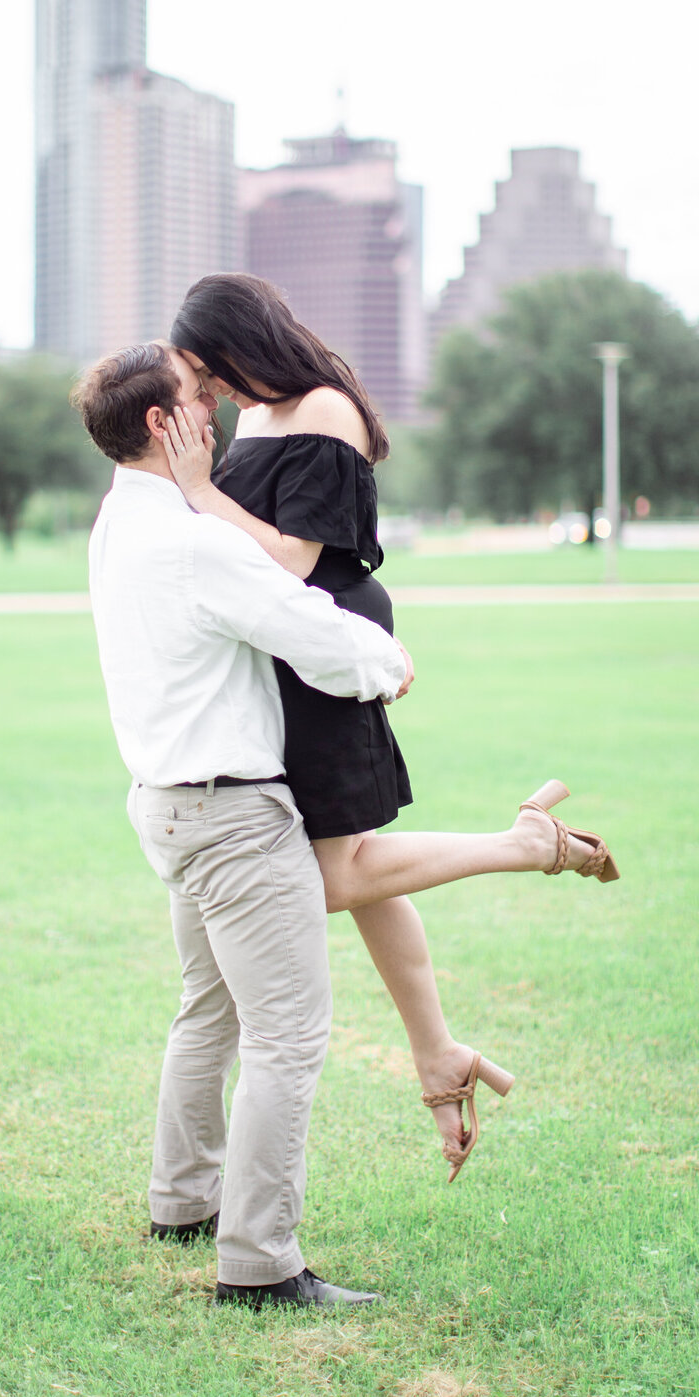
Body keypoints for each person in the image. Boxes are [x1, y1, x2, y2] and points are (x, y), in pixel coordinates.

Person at [165, 273, 619, 1179]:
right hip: (273, 656)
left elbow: (294, 559)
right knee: (359, 868)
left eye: (213, 371)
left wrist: (197, 490)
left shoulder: (324, 408)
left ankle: (526, 846)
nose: (210, 393)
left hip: (323, 644)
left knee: (332, 876)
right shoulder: (257, 415)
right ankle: (438, 1049)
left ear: (244, 346)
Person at [74, 339, 412, 1307]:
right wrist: (385, 661)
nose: (214, 404)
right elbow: (303, 628)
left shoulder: (119, 522)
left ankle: (182, 1201)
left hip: (170, 807)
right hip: (230, 814)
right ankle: (260, 1264)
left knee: (210, 1012)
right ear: (160, 422)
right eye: (197, 395)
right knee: (287, 1035)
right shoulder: (187, 539)